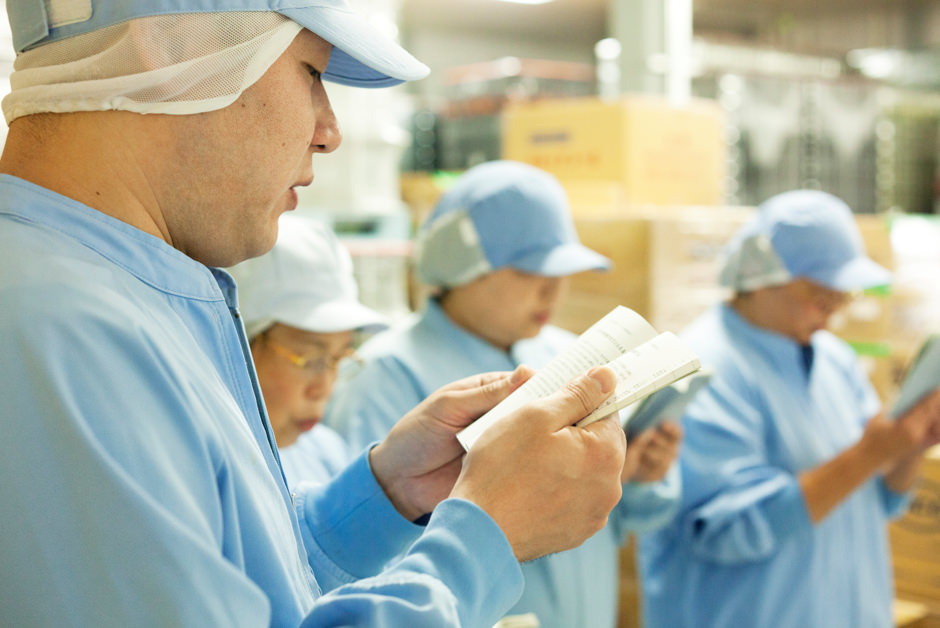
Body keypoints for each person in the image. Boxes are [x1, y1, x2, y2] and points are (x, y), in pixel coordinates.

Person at [0, 3, 631, 627]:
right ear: (171, 49)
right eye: (311, 74)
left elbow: (238, 582)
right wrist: (486, 537)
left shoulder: (110, 293)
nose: (329, 131)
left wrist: (386, 494)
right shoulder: (62, 330)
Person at [324, 159, 684, 628]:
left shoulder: (570, 356)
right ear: (459, 262)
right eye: (530, 271)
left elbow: (615, 524)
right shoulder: (387, 374)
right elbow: (368, 557)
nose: (553, 290)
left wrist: (637, 480)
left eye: (562, 271)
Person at [637, 190, 940, 628]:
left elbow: (878, 502)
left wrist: (910, 447)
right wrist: (867, 455)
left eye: (842, 296)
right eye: (820, 295)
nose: (833, 313)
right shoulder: (701, 368)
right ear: (760, 279)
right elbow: (724, 531)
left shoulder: (834, 360)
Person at [228, 213, 388, 486]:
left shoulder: (324, 453)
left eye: (340, 358)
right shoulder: (209, 464)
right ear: (237, 346)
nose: (325, 388)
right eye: (310, 359)